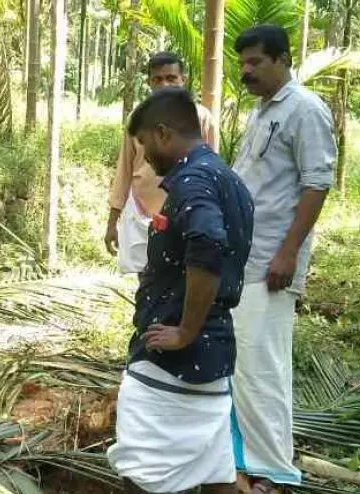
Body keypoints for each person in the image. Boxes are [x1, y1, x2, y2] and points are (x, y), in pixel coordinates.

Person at [106, 88, 254, 494]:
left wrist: (185, 330)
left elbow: (207, 243)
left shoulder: (193, 181)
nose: (146, 158)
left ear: (163, 133)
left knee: (141, 469)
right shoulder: (228, 179)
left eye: (145, 145)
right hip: (215, 352)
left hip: (174, 357)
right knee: (214, 469)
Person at [230, 25, 336, 494]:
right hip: (244, 258)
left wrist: (288, 251)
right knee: (242, 365)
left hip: (273, 260)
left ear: (282, 59)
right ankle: (243, 461)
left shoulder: (305, 110)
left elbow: (317, 184)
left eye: (255, 61)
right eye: (243, 62)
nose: (245, 70)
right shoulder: (261, 113)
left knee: (263, 367)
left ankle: (274, 472)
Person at [105, 52, 217, 274]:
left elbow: (210, 168)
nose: (164, 84)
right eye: (157, 79)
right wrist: (112, 223)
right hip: (138, 213)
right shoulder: (137, 120)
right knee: (138, 282)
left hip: (184, 215)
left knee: (178, 280)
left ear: (182, 80)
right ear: (149, 83)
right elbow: (124, 171)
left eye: (171, 78)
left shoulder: (201, 119)